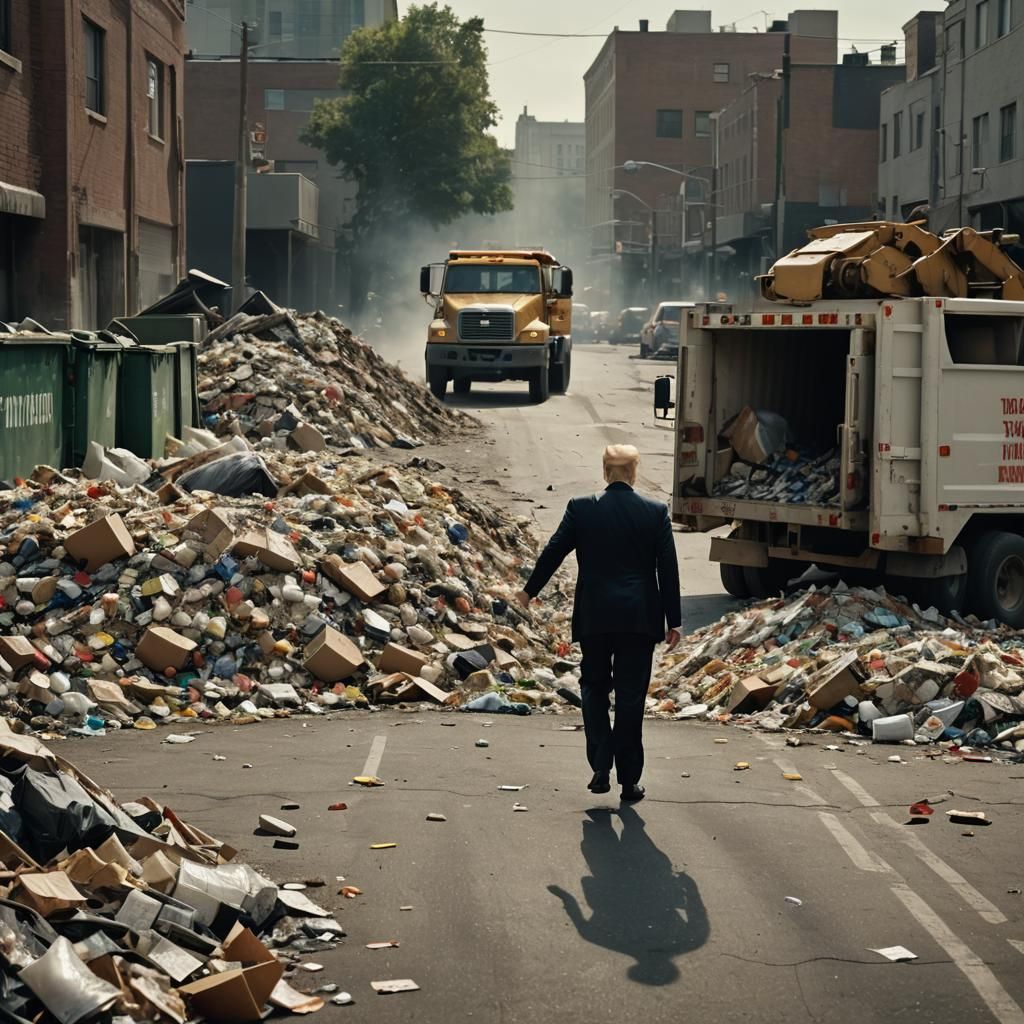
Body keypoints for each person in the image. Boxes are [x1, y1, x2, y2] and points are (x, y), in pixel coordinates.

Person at [516, 445, 681, 802]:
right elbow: (667, 569)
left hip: (595, 616)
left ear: (605, 471)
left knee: (593, 687)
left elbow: (554, 552)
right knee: (630, 697)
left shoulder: (581, 508)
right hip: (639, 619)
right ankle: (629, 781)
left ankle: (600, 766)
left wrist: (528, 592)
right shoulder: (655, 512)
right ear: (634, 472)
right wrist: (675, 620)